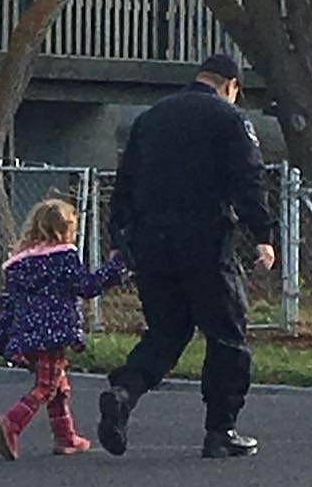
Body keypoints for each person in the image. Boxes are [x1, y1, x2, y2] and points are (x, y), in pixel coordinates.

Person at [99, 53, 277, 460]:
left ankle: (124, 391)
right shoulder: (229, 120)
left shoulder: (150, 118)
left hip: (151, 241)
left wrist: (118, 235)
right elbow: (248, 178)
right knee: (226, 333)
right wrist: (262, 233)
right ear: (231, 85)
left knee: (166, 330)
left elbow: (124, 180)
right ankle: (221, 430)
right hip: (205, 238)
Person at [0, 198, 125, 462]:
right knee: (46, 387)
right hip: (53, 333)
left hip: (25, 334)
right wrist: (115, 268)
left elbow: (8, 302)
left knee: (59, 385)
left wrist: (4, 337)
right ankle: (12, 423)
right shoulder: (63, 258)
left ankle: (65, 436)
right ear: (63, 231)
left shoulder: (19, 264)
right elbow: (87, 286)